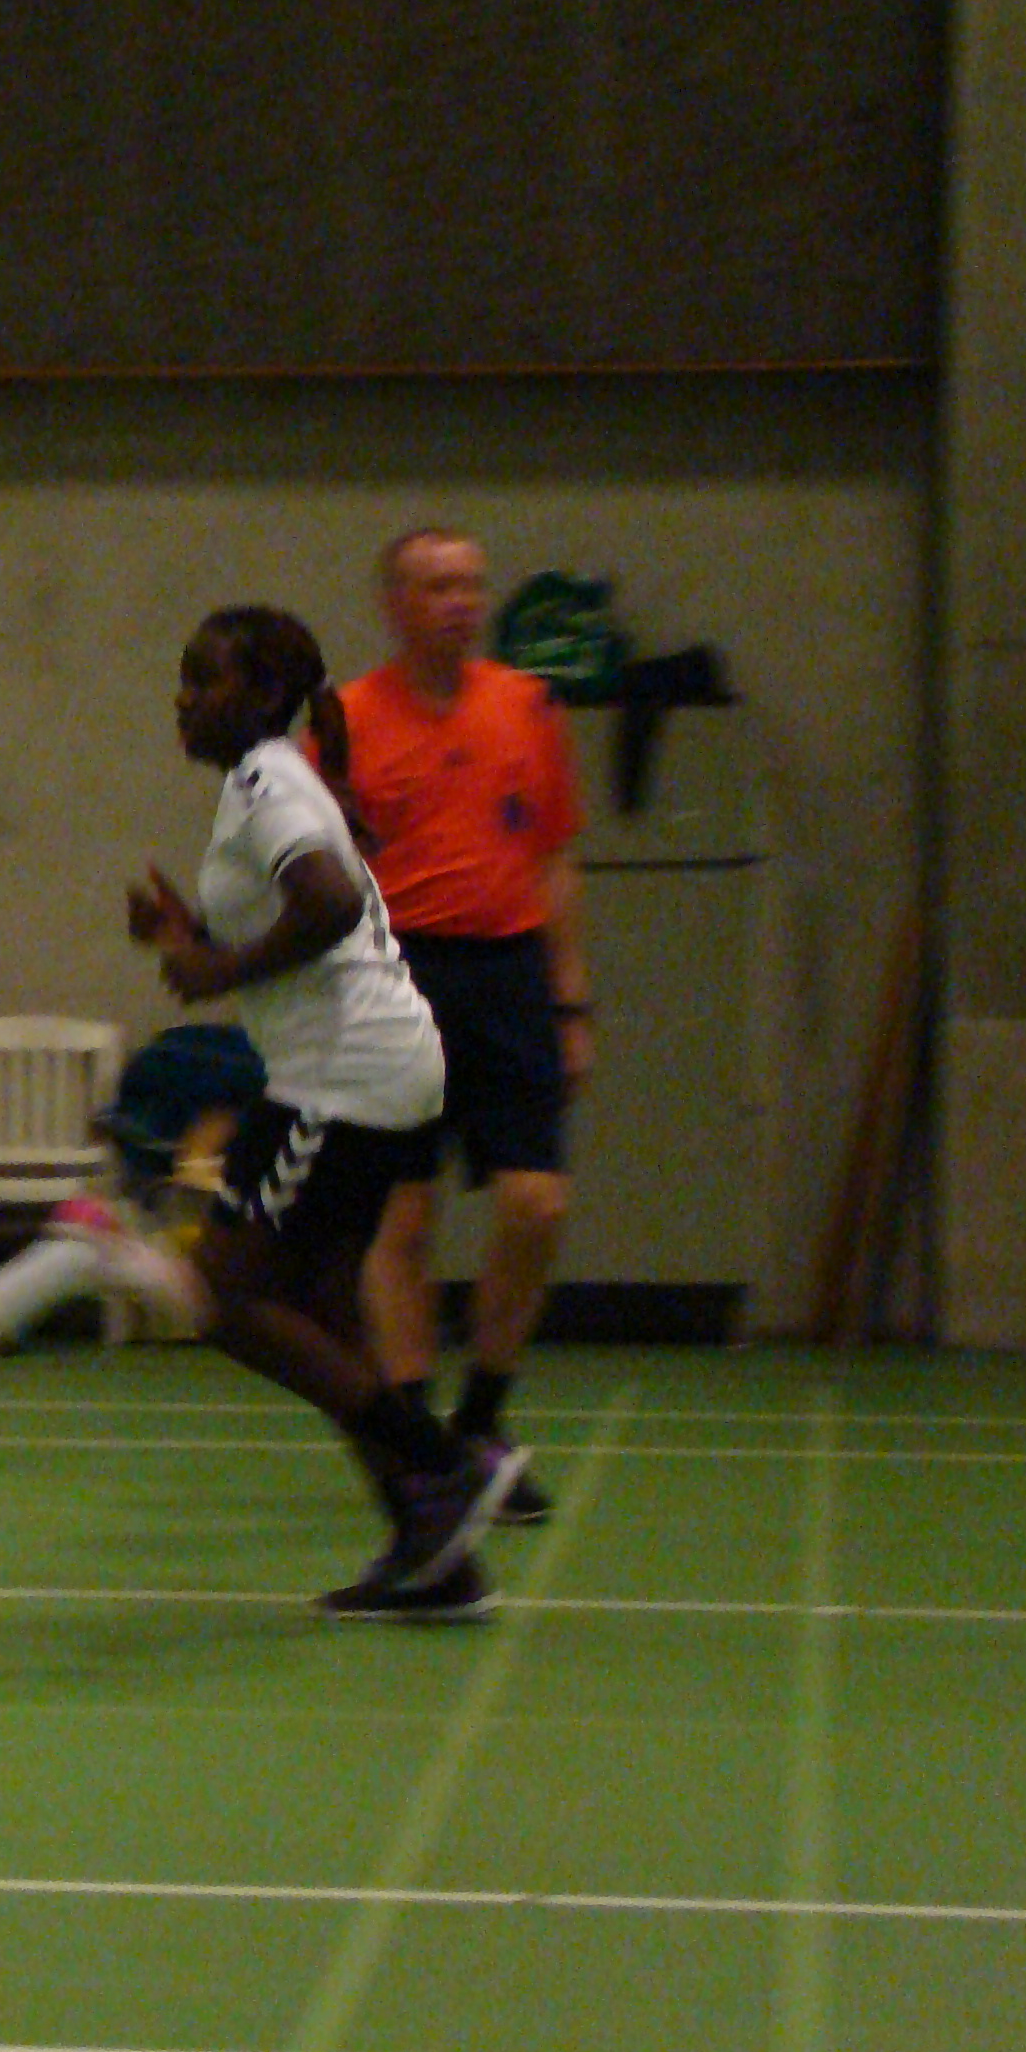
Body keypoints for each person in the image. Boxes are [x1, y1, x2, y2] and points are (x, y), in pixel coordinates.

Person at [0, 605, 527, 1621]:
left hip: (340, 1079)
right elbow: (303, 917)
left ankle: (444, 1462)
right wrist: (191, 934)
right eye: (184, 679)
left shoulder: (266, 781)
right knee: (324, 1313)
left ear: (262, 694)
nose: (183, 699)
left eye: (203, 681)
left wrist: (216, 969)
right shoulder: (273, 781)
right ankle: (435, 1553)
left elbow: (331, 904)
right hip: (374, 1070)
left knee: (227, 1298)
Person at [340, 527, 589, 1523]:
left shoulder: (526, 707)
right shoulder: (347, 720)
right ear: (395, 601)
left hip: (509, 972)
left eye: (472, 585)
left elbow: (555, 857)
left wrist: (570, 999)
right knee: (402, 1219)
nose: (460, 601)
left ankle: (482, 1417)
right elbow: (317, 869)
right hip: (396, 976)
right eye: (438, 585)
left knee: (537, 1203)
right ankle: (418, 1439)